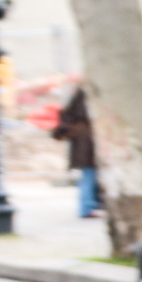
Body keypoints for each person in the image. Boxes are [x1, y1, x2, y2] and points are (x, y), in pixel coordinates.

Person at [54, 85, 100, 217]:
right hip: (87, 153)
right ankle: (86, 208)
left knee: (88, 176)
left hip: (84, 152)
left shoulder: (79, 122)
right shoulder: (84, 126)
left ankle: (88, 206)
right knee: (88, 176)